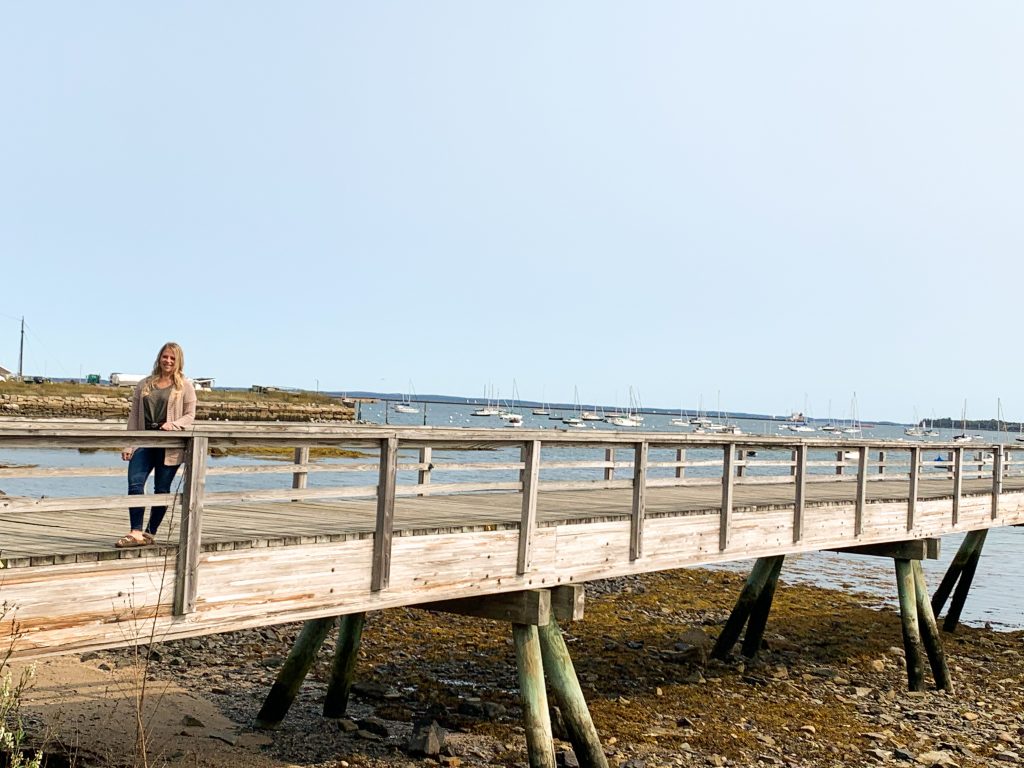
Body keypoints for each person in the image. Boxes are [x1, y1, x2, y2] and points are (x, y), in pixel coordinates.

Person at [116, 342, 197, 548]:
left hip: (169, 444)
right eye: (165, 357)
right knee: (135, 483)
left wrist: (174, 424)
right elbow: (134, 416)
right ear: (159, 358)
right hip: (144, 441)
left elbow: (190, 415)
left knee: (161, 488)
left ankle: (150, 532)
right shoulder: (145, 384)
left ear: (178, 361)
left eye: (172, 358)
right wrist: (129, 444)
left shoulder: (184, 386)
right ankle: (135, 532)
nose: (168, 361)